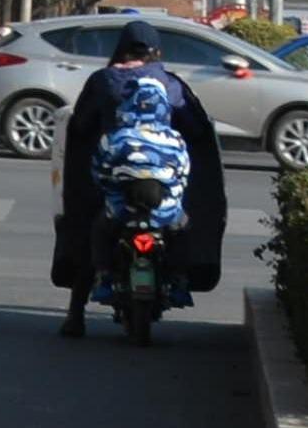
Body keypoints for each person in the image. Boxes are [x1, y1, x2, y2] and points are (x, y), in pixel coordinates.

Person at [49, 18, 233, 321]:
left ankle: (76, 313)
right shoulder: (171, 84)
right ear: (156, 51)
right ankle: (178, 280)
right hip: (163, 186)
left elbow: (80, 125)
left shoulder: (103, 81)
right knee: (180, 225)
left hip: (114, 180)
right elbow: (197, 129)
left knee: (89, 227)